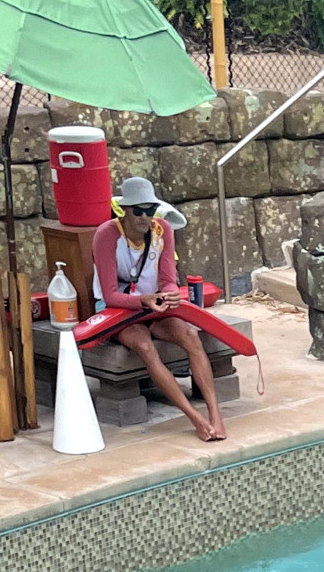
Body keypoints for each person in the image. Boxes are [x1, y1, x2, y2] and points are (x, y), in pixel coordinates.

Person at [92, 176, 227, 444]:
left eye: (150, 210)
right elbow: (109, 294)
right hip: (118, 309)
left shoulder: (163, 229)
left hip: (154, 305)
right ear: (126, 211)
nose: (145, 218)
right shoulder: (107, 235)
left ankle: (215, 414)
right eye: (138, 211)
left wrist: (170, 293)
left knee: (190, 336)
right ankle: (195, 418)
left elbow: (167, 277)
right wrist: (144, 301)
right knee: (144, 346)